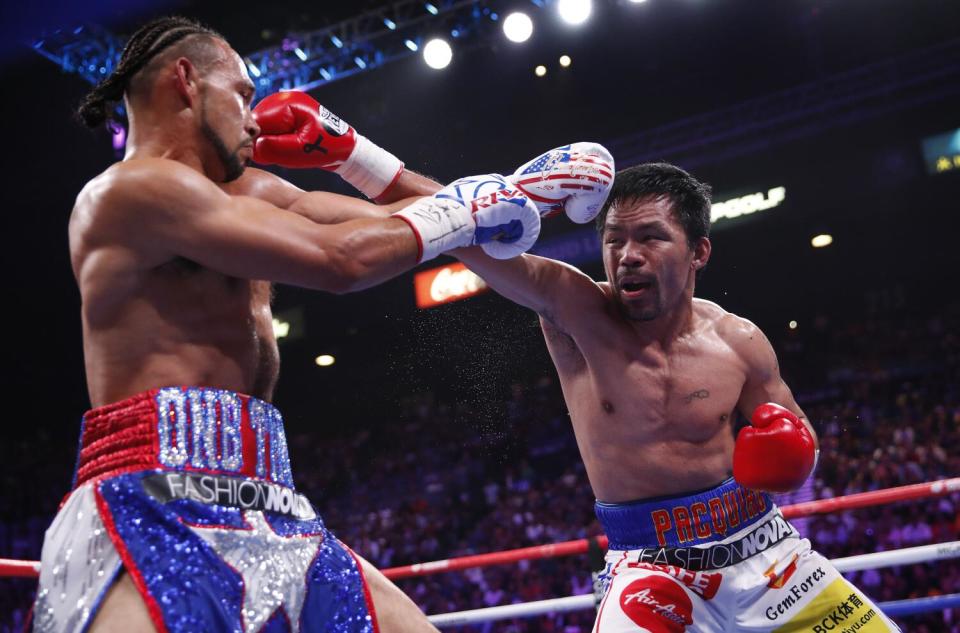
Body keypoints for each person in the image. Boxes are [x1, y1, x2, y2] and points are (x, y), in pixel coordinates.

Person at [33, 15, 553, 632]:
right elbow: (343, 259)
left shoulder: (251, 193)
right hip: (149, 501)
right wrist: (484, 201)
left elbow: (435, 218)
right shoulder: (127, 193)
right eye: (243, 96)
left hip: (272, 501)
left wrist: (356, 157)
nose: (255, 119)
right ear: (186, 81)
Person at [454, 162, 903, 631]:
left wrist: (790, 448)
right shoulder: (578, 314)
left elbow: (801, 439)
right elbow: (460, 227)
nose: (628, 255)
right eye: (614, 239)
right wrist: (376, 168)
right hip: (651, 569)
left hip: (769, 554)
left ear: (698, 252)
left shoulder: (738, 339)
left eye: (650, 237)